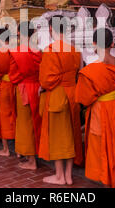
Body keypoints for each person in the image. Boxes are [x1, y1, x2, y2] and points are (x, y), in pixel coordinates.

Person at [75, 28, 115, 188]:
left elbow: (83, 99)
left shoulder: (90, 70)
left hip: (99, 111)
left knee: (100, 146)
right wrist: (113, 94)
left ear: (94, 44)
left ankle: (104, 180)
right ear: (112, 44)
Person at [38, 16, 83, 185]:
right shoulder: (75, 49)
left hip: (58, 94)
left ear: (51, 29)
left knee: (58, 136)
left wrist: (43, 86)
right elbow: (79, 71)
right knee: (71, 134)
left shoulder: (51, 50)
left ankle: (59, 176)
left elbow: (46, 80)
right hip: (72, 93)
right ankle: (69, 176)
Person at [9, 22, 42, 170]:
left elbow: (13, 76)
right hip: (37, 89)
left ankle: (31, 161)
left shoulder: (17, 52)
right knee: (36, 123)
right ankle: (36, 154)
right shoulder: (39, 51)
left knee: (25, 125)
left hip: (23, 89)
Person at [0, 28, 16, 156]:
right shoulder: (16, 51)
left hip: (5, 87)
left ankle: (6, 149)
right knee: (16, 115)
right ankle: (19, 150)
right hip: (16, 86)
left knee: (4, 117)